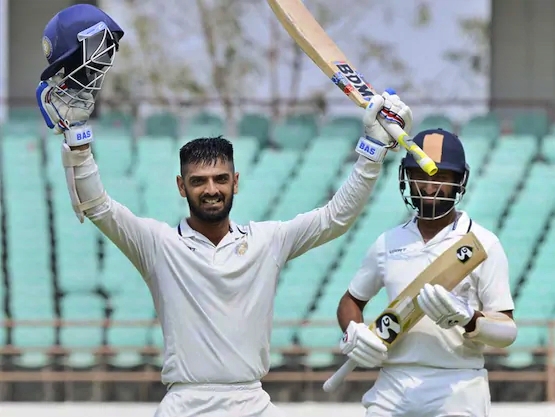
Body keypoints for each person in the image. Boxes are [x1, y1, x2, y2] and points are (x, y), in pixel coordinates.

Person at [35, 5, 414, 416]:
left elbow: (336, 218)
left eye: (219, 179)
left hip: (251, 401)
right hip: (184, 403)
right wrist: (77, 139)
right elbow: (97, 205)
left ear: (236, 182)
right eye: (198, 182)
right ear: (182, 187)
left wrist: (373, 151)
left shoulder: (267, 241)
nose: (210, 190)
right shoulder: (158, 244)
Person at [335, 128, 518, 417]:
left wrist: (470, 319)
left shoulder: (483, 243)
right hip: (393, 383)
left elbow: (507, 332)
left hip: (458, 384)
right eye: (421, 176)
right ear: (406, 178)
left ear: (460, 182)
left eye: (441, 178)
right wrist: (352, 332)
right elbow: (351, 301)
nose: (430, 187)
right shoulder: (388, 242)